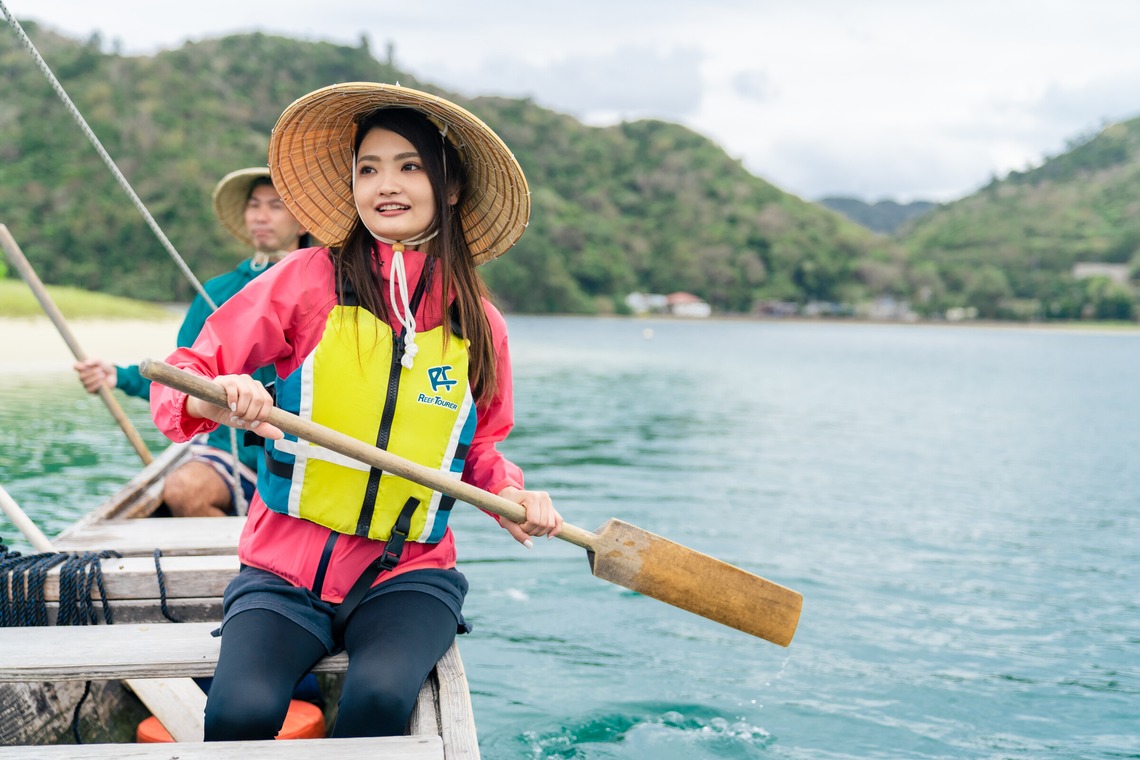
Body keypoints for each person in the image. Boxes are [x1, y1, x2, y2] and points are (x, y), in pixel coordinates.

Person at [149, 83, 564, 741]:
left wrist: (513, 495)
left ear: (450, 188)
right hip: (285, 569)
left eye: (410, 166)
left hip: (408, 574)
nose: (385, 184)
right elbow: (182, 381)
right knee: (238, 714)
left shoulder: (477, 324)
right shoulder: (308, 279)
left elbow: (479, 449)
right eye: (368, 168)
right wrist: (221, 392)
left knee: (378, 700)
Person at [74, 168, 308, 517]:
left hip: (303, 451)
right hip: (233, 454)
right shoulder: (215, 291)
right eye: (254, 205)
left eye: (275, 206)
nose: (261, 216)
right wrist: (117, 377)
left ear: (303, 220)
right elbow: (180, 374)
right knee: (184, 490)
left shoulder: (326, 284)